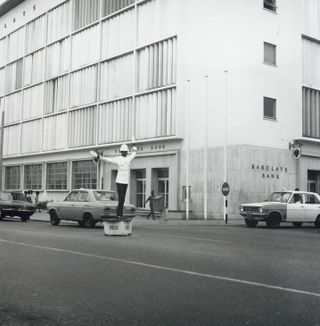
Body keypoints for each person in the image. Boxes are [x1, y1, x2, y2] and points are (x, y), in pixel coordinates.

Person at [91, 144, 137, 218]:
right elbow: (109, 160)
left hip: (125, 182)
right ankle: (119, 215)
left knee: (123, 199)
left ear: (127, 152)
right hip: (119, 181)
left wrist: (134, 146)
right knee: (121, 198)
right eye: (123, 151)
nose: (125, 153)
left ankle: (120, 214)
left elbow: (134, 154)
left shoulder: (128, 159)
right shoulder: (118, 159)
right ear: (121, 152)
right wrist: (100, 157)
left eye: (126, 152)